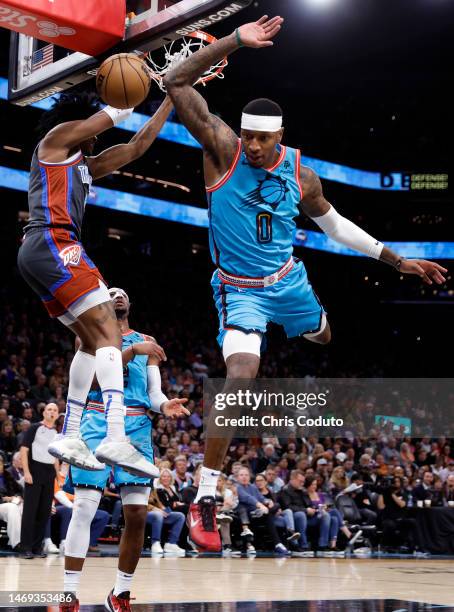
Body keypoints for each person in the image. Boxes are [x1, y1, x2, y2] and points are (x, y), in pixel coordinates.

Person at [163, 15, 448, 551]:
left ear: (280, 139)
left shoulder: (303, 176)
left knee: (324, 336)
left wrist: (395, 260)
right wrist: (235, 42)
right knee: (242, 375)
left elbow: (335, 225)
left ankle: (310, 321)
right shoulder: (222, 149)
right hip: (239, 288)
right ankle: (204, 491)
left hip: (288, 281)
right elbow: (176, 81)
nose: (250, 145)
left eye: (260, 139)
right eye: (246, 135)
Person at [17, 91, 173, 477]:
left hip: (43, 251)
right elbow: (109, 118)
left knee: (90, 342)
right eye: (90, 131)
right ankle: (116, 437)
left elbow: (136, 147)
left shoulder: (83, 164)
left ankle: (71, 433)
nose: (95, 139)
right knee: (109, 335)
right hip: (54, 241)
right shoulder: (56, 140)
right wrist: (136, 79)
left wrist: (171, 98)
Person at [60, 287, 189, 612]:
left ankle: (120, 593)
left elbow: (154, 392)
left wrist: (164, 405)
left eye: (123, 294)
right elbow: (88, 384)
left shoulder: (146, 339)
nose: (117, 296)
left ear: (129, 304)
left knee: (136, 515)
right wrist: (131, 353)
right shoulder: (88, 335)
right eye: (111, 292)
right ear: (103, 302)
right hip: (96, 421)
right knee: (85, 510)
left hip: (137, 429)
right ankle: (69, 594)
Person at [19, 402, 59, 558]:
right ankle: (26, 547)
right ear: (44, 412)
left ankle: (37, 547)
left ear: (57, 414)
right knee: (30, 511)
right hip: (34, 471)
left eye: (55, 410)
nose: (52, 412)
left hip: (49, 474)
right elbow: (24, 450)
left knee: (44, 512)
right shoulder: (34, 428)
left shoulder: (57, 433)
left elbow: (56, 456)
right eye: (49, 409)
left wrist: (57, 477)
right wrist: (27, 472)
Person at [147, 469, 186, 556]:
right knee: (158, 515)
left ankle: (171, 543)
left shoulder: (152, 489)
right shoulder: (141, 487)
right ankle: (155, 543)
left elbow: (158, 503)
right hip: (144, 513)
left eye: (168, 476)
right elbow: (143, 504)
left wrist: (163, 509)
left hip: (157, 512)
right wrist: (156, 509)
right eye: (164, 476)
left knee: (180, 516)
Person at [0, 455, 23, 551]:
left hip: (9, 504)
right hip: (2, 504)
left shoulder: (7, 475)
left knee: (22, 506)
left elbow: (20, 490)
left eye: (0, 462)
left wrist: (18, 497)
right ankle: (17, 543)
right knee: (12, 507)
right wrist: (5, 499)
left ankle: (21, 541)